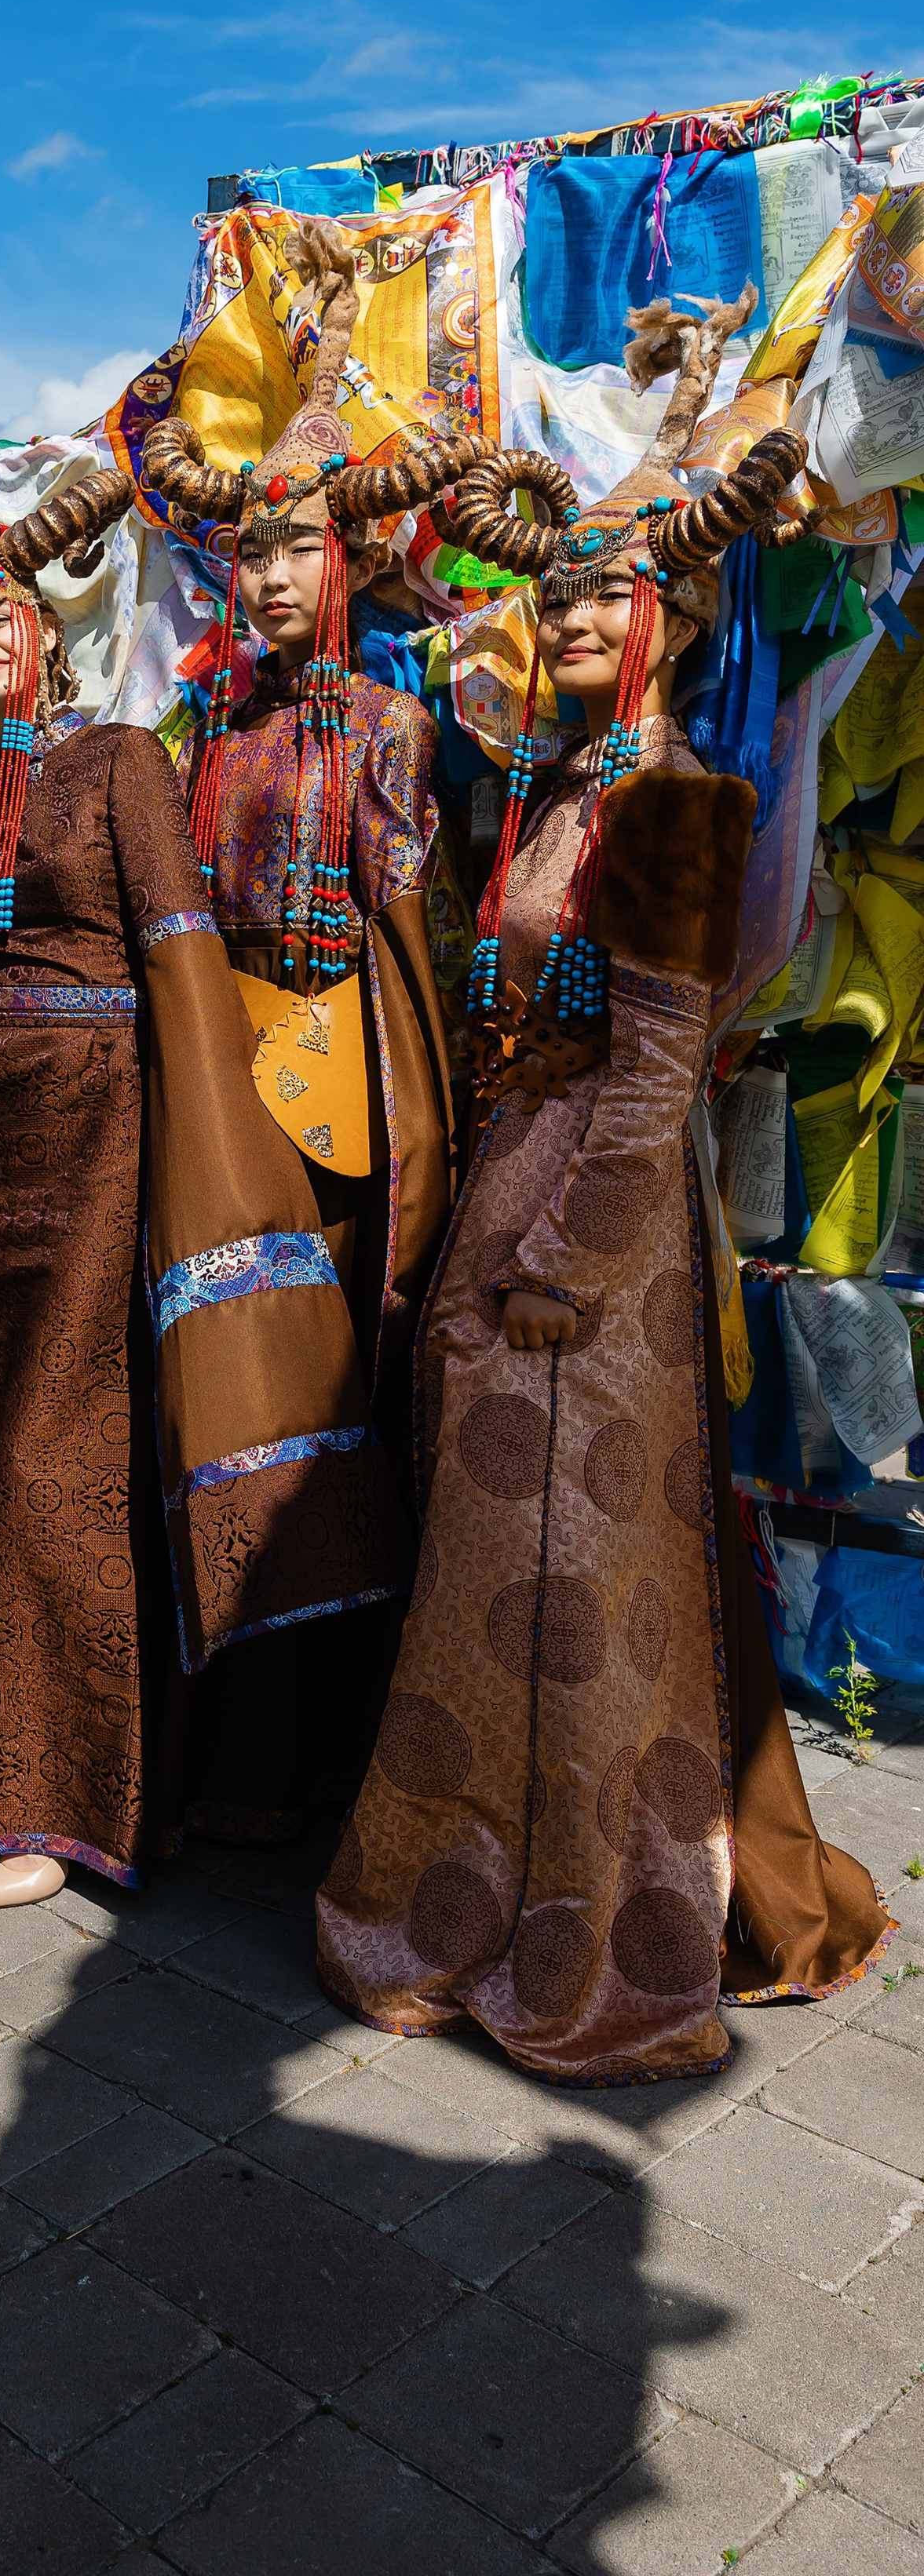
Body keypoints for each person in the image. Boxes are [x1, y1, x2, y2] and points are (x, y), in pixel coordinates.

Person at [317, 293, 892, 2082]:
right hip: (515, 1200)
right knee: (496, 1567)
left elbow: (653, 1073)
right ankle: (474, 1885)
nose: (571, 618)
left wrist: (564, 1258)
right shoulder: (552, 785)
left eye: (608, 596)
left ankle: (604, 1923)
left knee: (573, 1584)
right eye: (555, 595)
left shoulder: (675, 804)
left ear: (676, 619)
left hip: (600, 1247)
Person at [0, 349, 376, 1907]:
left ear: (40, 623)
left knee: (62, 1460)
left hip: (108, 1137)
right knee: (19, 1461)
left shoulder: (118, 759)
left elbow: (182, 960)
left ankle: (39, 1804)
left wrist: (213, 1168)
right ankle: (100, 1766)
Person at [137, 253, 473, 1841]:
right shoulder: (211, 731)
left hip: (347, 1111)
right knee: (236, 1402)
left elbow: (418, 952)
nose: (269, 575)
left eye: (296, 546)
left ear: (350, 555)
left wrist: (409, 1131)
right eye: (251, 550)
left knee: (346, 1409)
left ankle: (350, 1757)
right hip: (231, 1089)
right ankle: (240, 1747)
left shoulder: (391, 729)